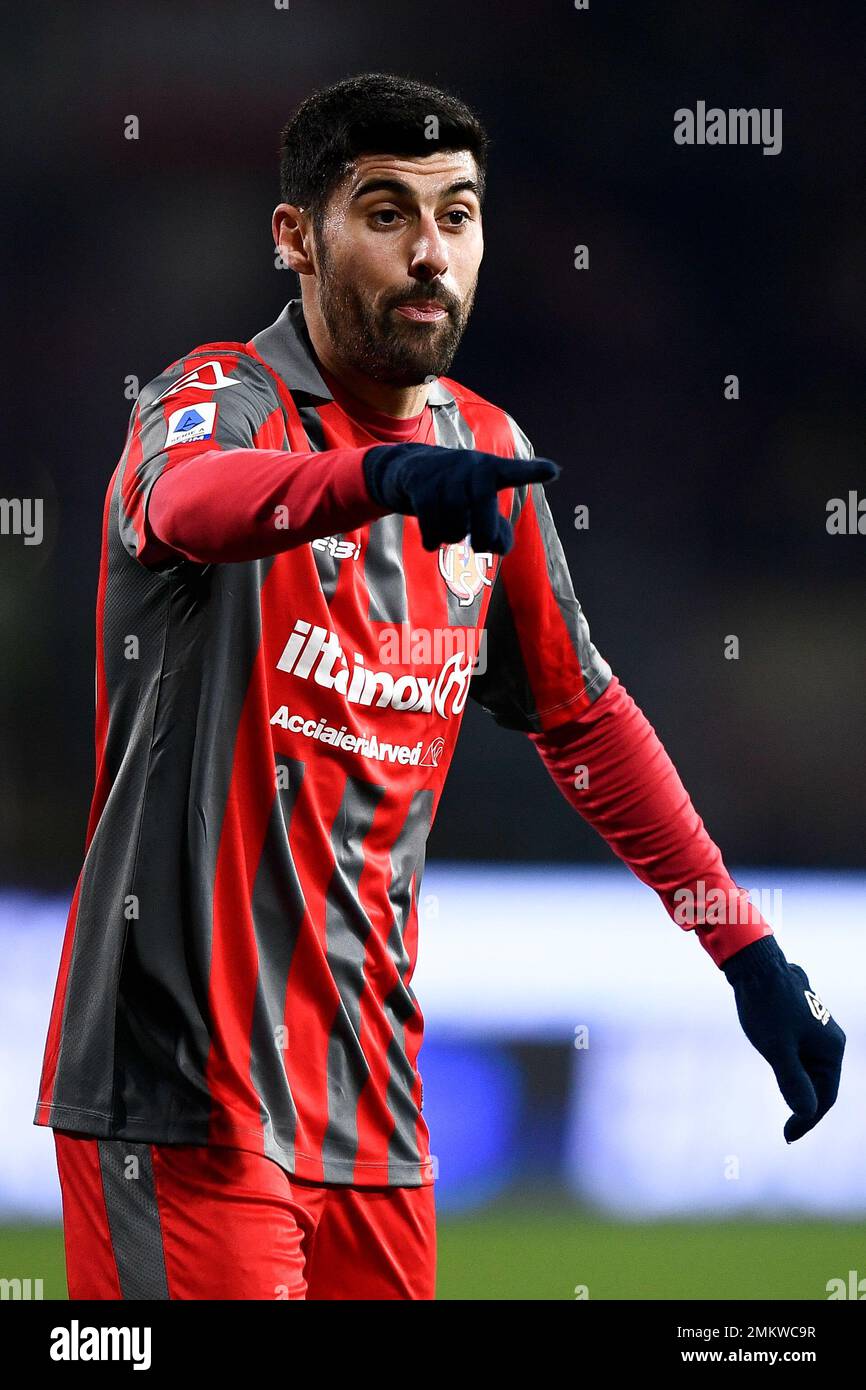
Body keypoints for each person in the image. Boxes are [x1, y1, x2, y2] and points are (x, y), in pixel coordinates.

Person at [35, 72, 844, 1301]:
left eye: (456, 216)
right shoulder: (212, 402)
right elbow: (186, 505)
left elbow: (582, 717)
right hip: (182, 1088)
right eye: (386, 213)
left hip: (371, 1100)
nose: (429, 253)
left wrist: (743, 949)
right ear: (296, 237)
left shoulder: (484, 451)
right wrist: (377, 480)